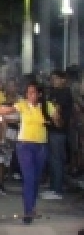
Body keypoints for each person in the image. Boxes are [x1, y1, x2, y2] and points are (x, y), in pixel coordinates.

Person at [0, 80, 56, 224]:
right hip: (25, 146)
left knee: (35, 180)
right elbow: (6, 110)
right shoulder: (23, 104)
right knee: (29, 179)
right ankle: (28, 212)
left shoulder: (47, 106)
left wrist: (53, 119)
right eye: (28, 92)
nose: (29, 95)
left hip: (41, 147)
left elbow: (58, 122)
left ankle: (31, 206)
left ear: (39, 94)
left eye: (32, 92)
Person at [43, 70, 72, 200]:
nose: (53, 81)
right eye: (52, 79)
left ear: (63, 79)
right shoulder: (54, 92)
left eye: (55, 79)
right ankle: (53, 186)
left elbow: (57, 109)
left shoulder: (65, 93)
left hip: (59, 131)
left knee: (56, 160)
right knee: (52, 159)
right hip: (52, 129)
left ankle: (57, 190)